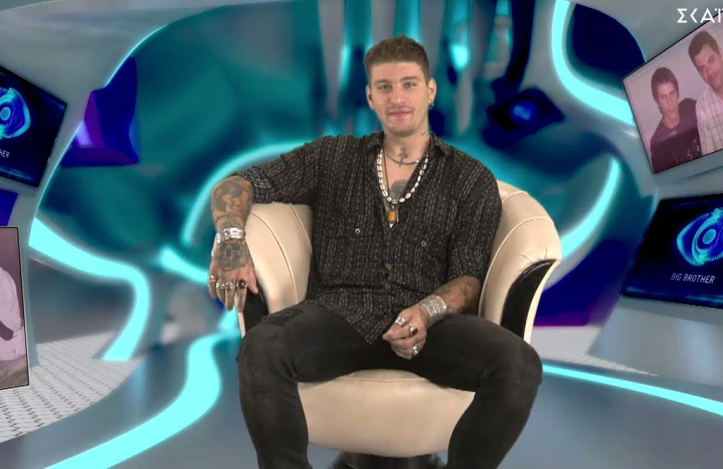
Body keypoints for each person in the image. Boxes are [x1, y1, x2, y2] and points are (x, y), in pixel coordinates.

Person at [208, 34, 543, 468]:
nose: (397, 97)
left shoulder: (469, 177)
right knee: (261, 348)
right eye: (384, 86)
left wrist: (427, 312)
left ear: (430, 91)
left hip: (429, 325)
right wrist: (230, 240)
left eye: (408, 84)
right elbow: (238, 184)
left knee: (519, 365)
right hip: (337, 314)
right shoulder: (332, 157)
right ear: (370, 96)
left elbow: (469, 278)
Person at [648, 67, 702, 172]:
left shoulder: (690, 107)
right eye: (664, 97)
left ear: (677, 93)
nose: (670, 102)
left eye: (672, 93)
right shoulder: (657, 143)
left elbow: (712, 103)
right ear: (657, 102)